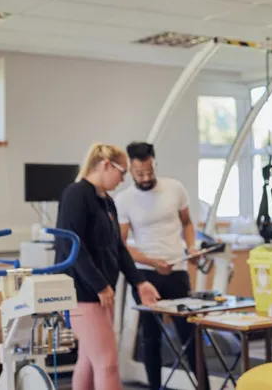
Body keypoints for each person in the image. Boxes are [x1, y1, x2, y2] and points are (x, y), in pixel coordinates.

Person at [54, 143, 161, 390]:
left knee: (90, 361)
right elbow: (73, 246)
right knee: (108, 363)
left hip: (100, 293)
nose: (123, 179)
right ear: (105, 165)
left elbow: (119, 248)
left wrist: (139, 281)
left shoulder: (106, 202)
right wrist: (100, 285)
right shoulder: (76, 195)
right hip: (83, 292)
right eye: (122, 172)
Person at [114, 142, 210, 390]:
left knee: (189, 332)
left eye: (149, 171)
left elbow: (187, 223)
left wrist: (190, 248)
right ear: (131, 170)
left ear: (154, 163)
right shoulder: (124, 200)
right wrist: (152, 262)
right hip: (145, 274)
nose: (145, 178)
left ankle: (205, 387)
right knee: (150, 336)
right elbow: (121, 245)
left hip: (177, 270)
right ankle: (155, 387)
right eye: (139, 174)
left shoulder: (174, 188)